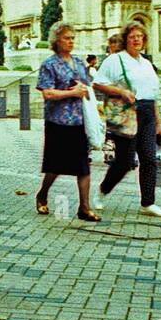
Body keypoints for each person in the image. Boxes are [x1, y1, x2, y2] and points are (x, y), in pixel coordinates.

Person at [95, 21, 161, 217]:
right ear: (126, 39)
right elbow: (98, 84)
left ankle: (148, 203)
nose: (137, 40)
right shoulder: (115, 60)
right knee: (125, 162)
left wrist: (159, 124)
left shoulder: (146, 64)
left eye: (140, 36)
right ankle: (102, 191)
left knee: (149, 159)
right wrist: (121, 91)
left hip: (147, 113)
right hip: (127, 113)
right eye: (132, 36)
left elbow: (153, 96)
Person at [34, 22, 100, 222]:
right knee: (56, 165)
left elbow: (86, 87)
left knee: (83, 166)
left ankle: (84, 207)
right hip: (57, 121)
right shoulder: (49, 64)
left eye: (73, 38)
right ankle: (42, 193)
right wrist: (71, 92)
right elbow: (47, 93)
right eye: (67, 38)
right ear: (57, 41)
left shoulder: (79, 63)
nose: (71, 41)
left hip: (78, 121)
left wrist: (83, 90)